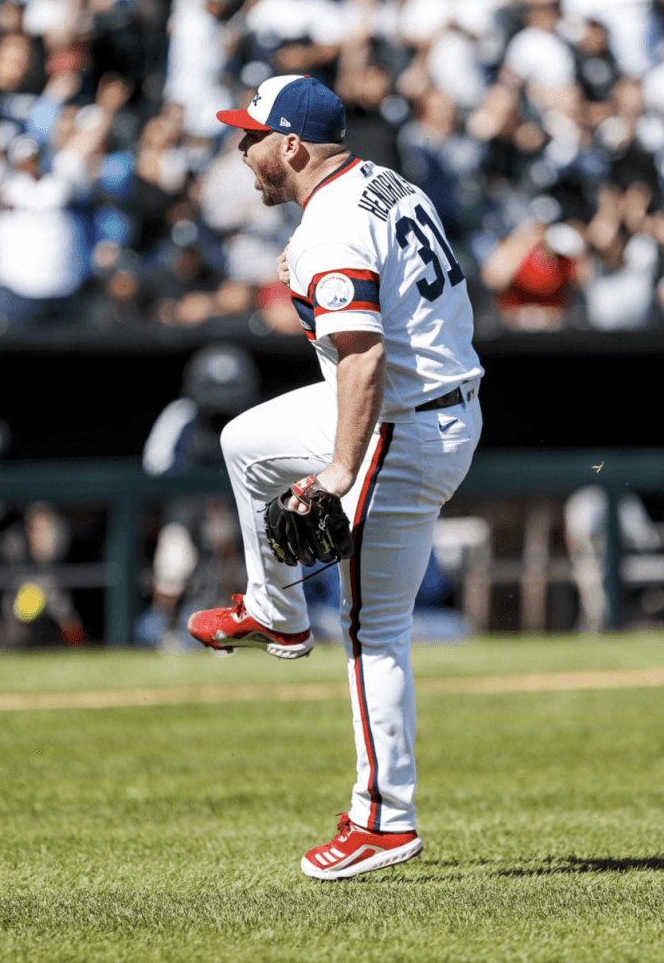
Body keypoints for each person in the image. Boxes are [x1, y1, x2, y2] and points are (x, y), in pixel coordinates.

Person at [187, 75, 484, 880]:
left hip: (400, 421)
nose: (241, 149)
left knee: (371, 629)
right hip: (431, 404)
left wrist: (341, 469)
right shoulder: (382, 183)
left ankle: (384, 820)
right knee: (247, 441)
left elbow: (365, 357)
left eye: (250, 135)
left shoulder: (333, 227)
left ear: (291, 146)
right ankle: (276, 612)